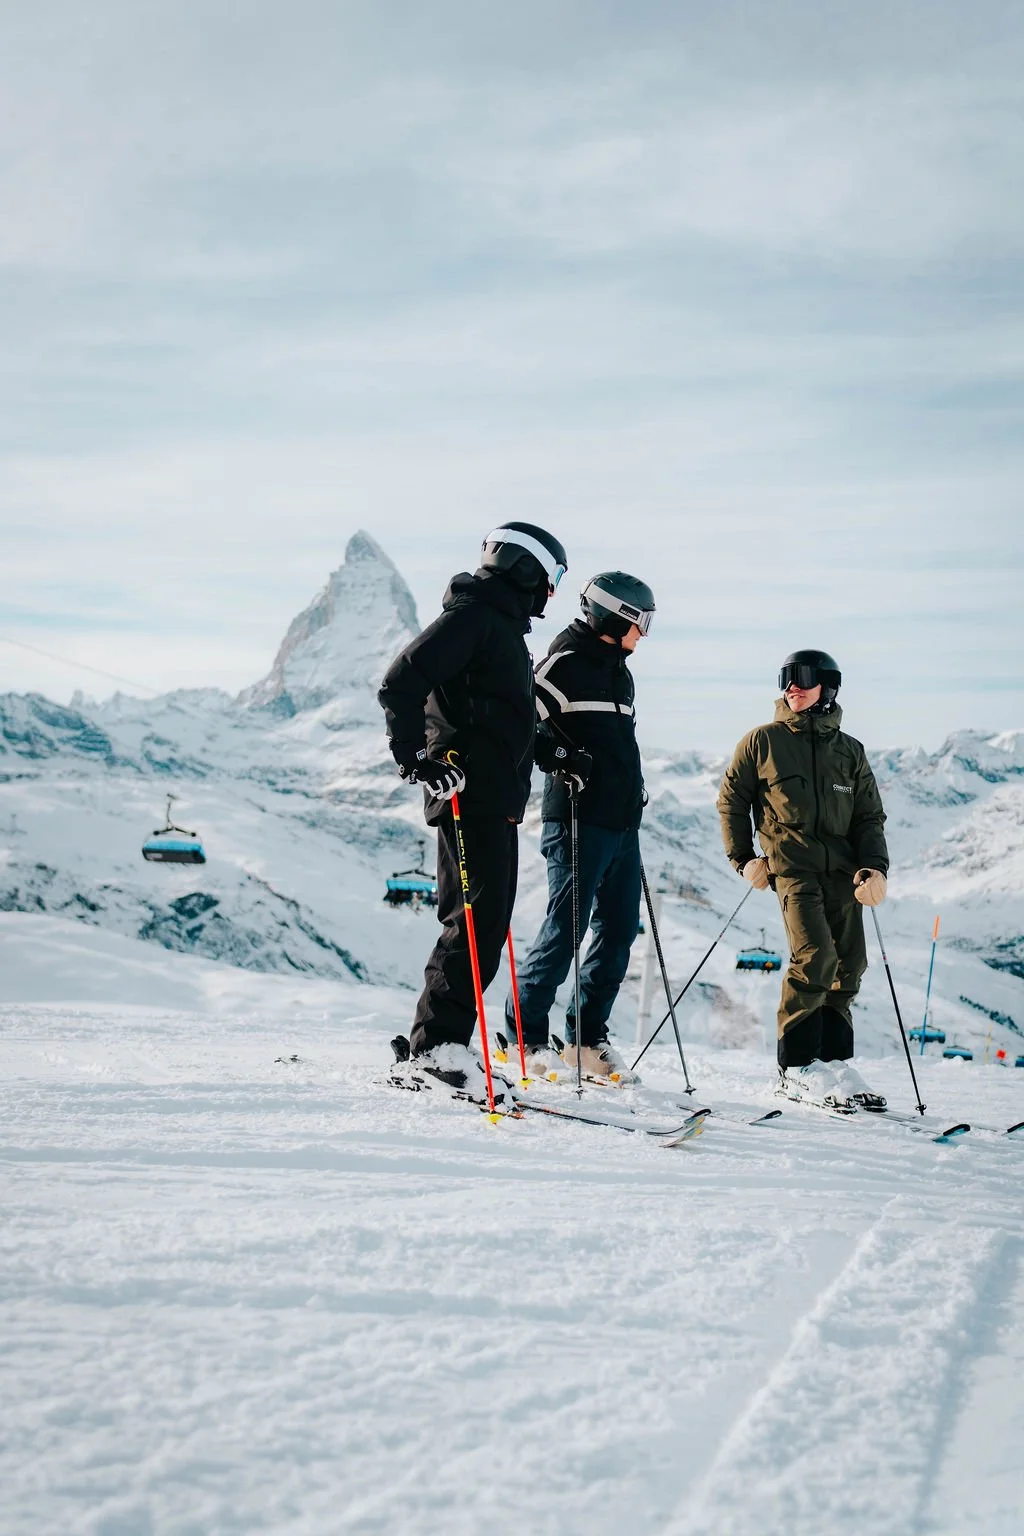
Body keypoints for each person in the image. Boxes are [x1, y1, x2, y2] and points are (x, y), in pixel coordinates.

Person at [378, 523, 568, 1092]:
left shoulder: (501, 627)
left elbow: (500, 717)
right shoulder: (475, 617)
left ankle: (444, 1045)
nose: (553, 594)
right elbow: (401, 681)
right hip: (467, 796)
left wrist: (554, 750)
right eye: (553, 578)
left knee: (485, 925)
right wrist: (419, 760)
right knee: (471, 926)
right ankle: (435, 1050)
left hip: (494, 799)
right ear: (526, 568)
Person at [716, 649, 889, 1109]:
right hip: (790, 867)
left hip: (843, 873)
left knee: (849, 964)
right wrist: (742, 859)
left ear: (827, 687)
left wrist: (876, 868)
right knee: (815, 956)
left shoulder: (849, 751)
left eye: (804, 677)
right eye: (786, 677)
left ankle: (832, 1065)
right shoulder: (763, 742)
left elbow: (869, 817)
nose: (792, 686)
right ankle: (794, 1068)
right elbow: (731, 800)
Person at [504, 571, 655, 1082]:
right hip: (575, 819)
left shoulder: (620, 672)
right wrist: (560, 756)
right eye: (643, 621)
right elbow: (519, 723)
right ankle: (522, 1036)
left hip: (620, 822)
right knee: (565, 929)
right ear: (616, 616)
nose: (647, 633)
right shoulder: (565, 663)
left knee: (616, 933)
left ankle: (586, 1040)